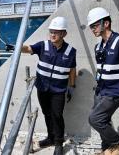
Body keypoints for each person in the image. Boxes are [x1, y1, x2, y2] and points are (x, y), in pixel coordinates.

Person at [21, 16, 76, 155]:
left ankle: (58, 143)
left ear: (64, 34)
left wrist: (72, 87)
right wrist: (17, 48)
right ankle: (50, 138)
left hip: (58, 90)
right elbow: (28, 48)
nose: (52, 34)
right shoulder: (43, 45)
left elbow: (72, 70)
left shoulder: (70, 51)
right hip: (42, 88)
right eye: (51, 31)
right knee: (47, 114)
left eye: (56, 32)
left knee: (57, 115)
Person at [87, 7, 119, 155]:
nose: (93, 29)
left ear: (106, 23)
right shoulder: (99, 46)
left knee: (95, 119)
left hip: (114, 91)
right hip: (101, 90)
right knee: (104, 121)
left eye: (95, 25)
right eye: (91, 27)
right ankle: (107, 150)